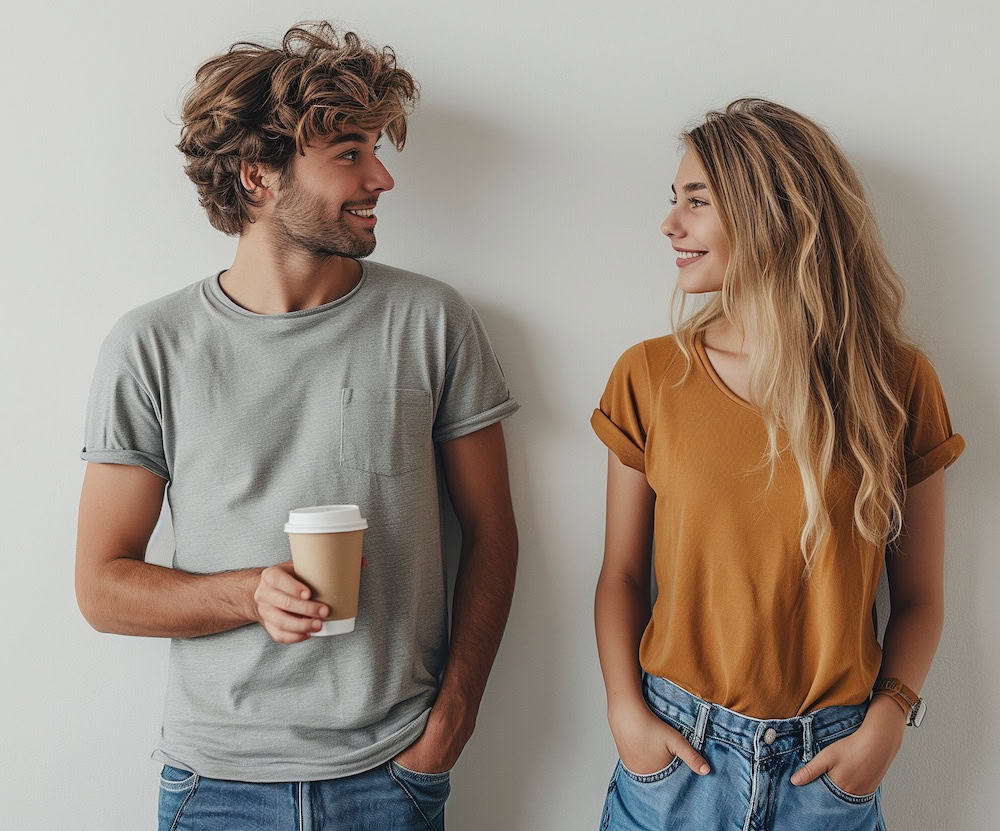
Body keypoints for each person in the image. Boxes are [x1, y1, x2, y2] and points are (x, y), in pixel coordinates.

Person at [75, 22, 519, 831]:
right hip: (216, 787)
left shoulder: (431, 319)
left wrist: (453, 718)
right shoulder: (152, 346)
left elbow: (492, 533)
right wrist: (250, 593)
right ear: (258, 176)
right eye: (349, 153)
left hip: (392, 774)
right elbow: (103, 587)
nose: (381, 177)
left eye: (376, 149)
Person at [591, 98, 964, 830]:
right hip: (675, 761)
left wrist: (888, 721)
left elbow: (918, 595)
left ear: (772, 211)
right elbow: (622, 576)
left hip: (827, 770)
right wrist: (625, 714)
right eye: (675, 201)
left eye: (696, 201)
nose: (671, 224)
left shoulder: (896, 382)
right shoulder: (647, 376)